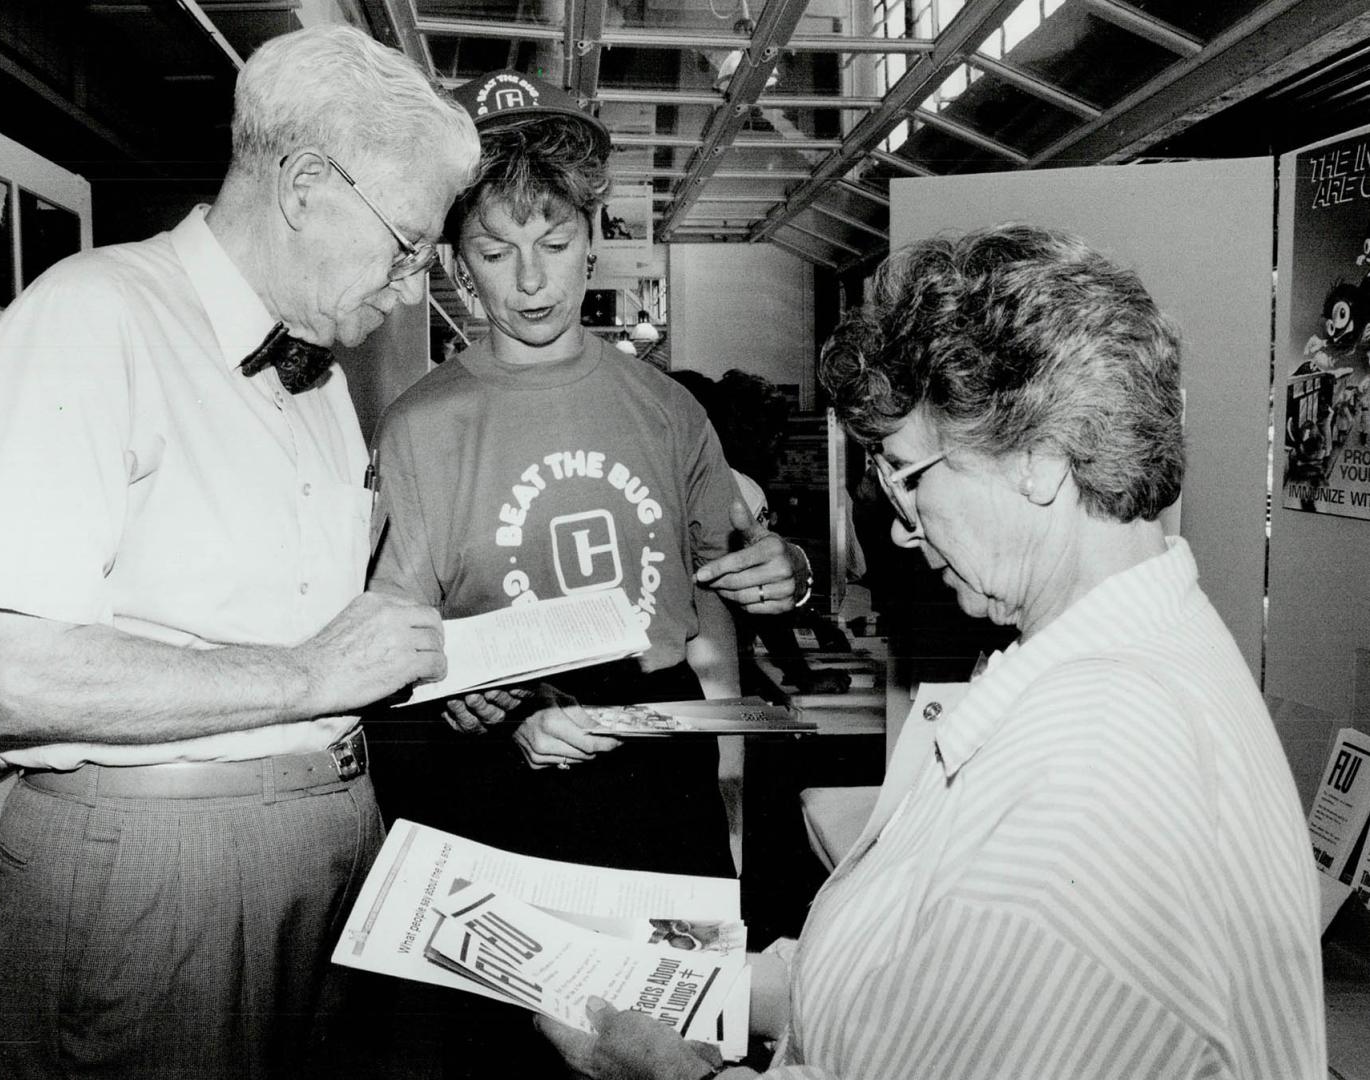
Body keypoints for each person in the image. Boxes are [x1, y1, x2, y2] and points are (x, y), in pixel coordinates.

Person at [539, 224, 1325, 1079]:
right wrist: (695, 981)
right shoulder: (1111, 661)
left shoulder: (1101, 749)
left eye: (911, 477)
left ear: (1040, 459)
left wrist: (669, 1075)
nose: (907, 532)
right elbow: (905, 995)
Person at [0, 26, 479, 1079]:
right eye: (407, 244)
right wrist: (308, 676)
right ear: (304, 184)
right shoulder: (93, 319)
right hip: (159, 875)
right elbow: (21, 678)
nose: (413, 286)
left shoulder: (321, 382)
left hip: (327, 842)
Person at [366, 70, 809, 1078]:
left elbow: (716, 593)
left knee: (674, 1050)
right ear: (452, 264)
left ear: (593, 240)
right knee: (506, 1059)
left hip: (658, 785)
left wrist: (782, 570)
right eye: (494, 251)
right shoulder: (421, 427)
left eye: (554, 246)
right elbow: (396, 653)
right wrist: (488, 709)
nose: (529, 282)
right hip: (498, 791)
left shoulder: (664, 410)